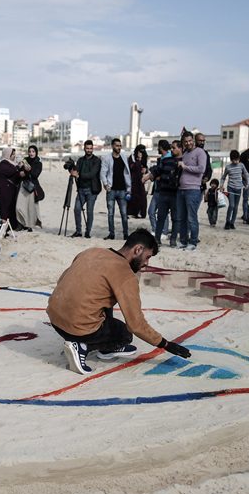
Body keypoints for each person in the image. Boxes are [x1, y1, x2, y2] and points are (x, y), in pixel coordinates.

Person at [46, 228, 192, 374]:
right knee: (124, 334)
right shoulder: (125, 274)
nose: (146, 263)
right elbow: (136, 324)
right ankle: (82, 346)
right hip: (78, 329)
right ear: (138, 249)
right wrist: (165, 344)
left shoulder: (92, 252)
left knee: (104, 298)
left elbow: (64, 280)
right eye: (147, 257)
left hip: (55, 320)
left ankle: (100, 346)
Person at [175, 133, 208, 250]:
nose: (188, 143)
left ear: (193, 140)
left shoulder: (200, 152)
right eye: (185, 141)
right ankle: (183, 240)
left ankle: (193, 242)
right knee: (181, 218)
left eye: (190, 141)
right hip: (181, 190)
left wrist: (185, 167)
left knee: (191, 218)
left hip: (193, 190)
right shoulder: (185, 153)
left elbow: (201, 169)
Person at [69, 140, 102, 238]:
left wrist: (78, 175)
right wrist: (72, 170)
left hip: (92, 190)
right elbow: (76, 171)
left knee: (89, 211)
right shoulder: (80, 160)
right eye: (87, 148)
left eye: (90, 148)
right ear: (84, 149)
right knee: (76, 209)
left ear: (93, 149)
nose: (89, 150)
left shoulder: (97, 160)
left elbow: (92, 174)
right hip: (81, 189)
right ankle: (78, 231)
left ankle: (88, 232)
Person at [150, 139, 179, 241]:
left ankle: (173, 239)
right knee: (161, 216)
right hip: (163, 192)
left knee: (175, 218)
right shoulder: (165, 160)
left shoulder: (182, 162)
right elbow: (157, 170)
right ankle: (157, 238)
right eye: (171, 148)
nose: (172, 150)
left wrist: (161, 177)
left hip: (175, 194)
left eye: (174, 148)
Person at [103, 137, 131, 240]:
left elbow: (127, 173)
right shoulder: (107, 158)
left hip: (123, 190)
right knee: (110, 213)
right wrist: (105, 184)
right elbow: (103, 172)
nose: (119, 148)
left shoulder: (124, 157)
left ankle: (126, 234)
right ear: (112, 146)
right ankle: (111, 234)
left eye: (120, 146)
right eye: (117, 145)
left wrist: (129, 188)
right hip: (111, 190)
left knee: (124, 214)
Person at [0, 147, 29, 232]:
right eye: (12, 154)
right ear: (8, 154)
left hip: (11, 189)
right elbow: (10, 172)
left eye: (14, 154)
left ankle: (13, 226)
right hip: (4, 189)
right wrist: (18, 167)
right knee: (5, 207)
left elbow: (18, 173)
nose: (14, 156)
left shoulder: (13, 163)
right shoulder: (3, 163)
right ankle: (4, 228)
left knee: (12, 207)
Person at [18, 145, 43, 229]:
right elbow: (19, 170)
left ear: (36, 153)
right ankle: (21, 223)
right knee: (19, 206)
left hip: (32, 187)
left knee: (31, 207)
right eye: (29, 151)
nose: (31, 153)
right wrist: (20, 169)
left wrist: (28, 171)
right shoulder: (24, 160)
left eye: (33, 151)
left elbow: (35, 174)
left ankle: (29, 226)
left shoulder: (38, 163)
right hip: (23, 185)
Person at [222, 150, 247, 229]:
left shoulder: (241, 165)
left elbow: (246, 174)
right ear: (231, 159)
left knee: (236, 206)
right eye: (234, 160)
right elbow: (223, 177)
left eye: (237, 159)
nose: (236, 161)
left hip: (239, 188)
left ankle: (232, 223)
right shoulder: (228, 167)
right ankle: (227, 221)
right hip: (231, 188)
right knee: (231, 205)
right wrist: (221, 185)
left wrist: (247, 183)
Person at [126, 145, 149, 220]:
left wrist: (145, 169)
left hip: (142, 180)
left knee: (142, 197)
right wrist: (138, 161)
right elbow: (130, 167)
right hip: (133, 180)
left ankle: (141, 213)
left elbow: (146, 167)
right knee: (133, 196)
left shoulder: (145, 157)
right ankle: (132, 212)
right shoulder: (132, 157)